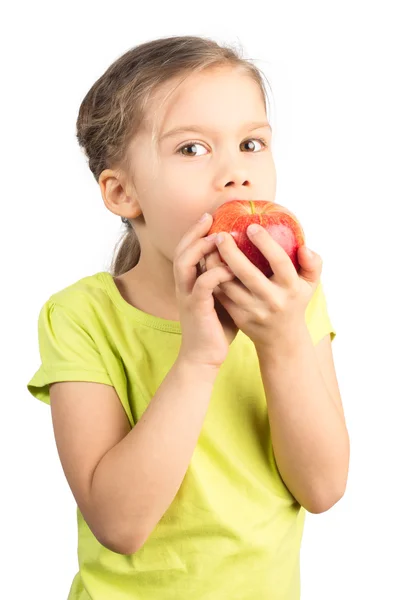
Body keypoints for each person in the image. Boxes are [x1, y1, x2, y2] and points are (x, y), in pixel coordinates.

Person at [27, 35, 349, 600]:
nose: (236, 175)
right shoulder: (82, 316)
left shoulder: (290, 300)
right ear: (123, 192)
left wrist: (282, 343)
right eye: (193, 149)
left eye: (252, 143)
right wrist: (199, 357)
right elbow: (121, 526)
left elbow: (322, 489)